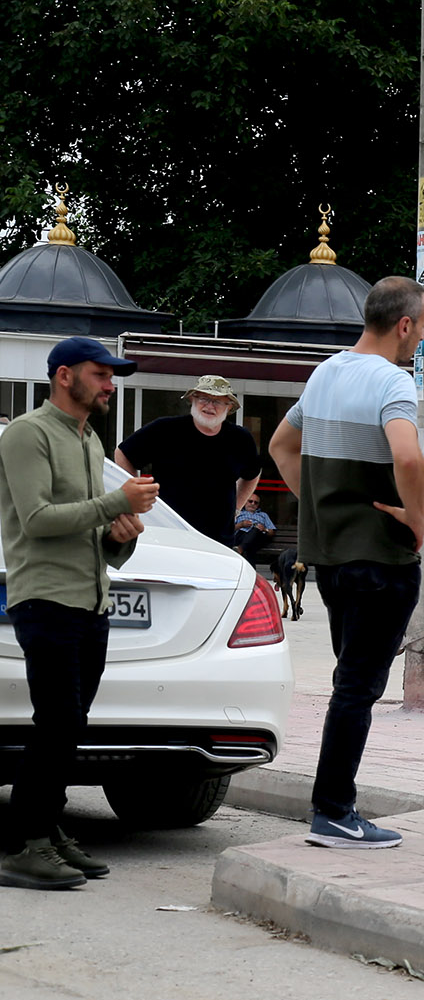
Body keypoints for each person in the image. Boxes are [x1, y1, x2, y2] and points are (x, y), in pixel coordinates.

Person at [269, 278, 424, 850]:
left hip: (331, 556)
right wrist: (417, 518)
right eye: (422, 327)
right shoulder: (393, 381)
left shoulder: (325, 373)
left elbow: (281, 447)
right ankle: (334, 810)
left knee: (349, 681)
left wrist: (318, 505)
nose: (419, 339)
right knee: (358, 688)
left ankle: (335, 806)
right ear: (405, 325)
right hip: (382, 556)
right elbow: (407, 455)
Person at [0, 337, 155, 889]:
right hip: (45, 598)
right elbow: (38, 519)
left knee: (71, 724)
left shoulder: (90, 441)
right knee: (57, 720)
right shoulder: (28, 434)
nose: (112, 383)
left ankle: (48, 829)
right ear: (65, 376)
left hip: (91, 601)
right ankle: (24, 844)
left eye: (114, 375)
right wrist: (119, 503)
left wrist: (121, 537)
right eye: (102, 373)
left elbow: (93, 534)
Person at [115, 374, 261, 547]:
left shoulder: (240, 439)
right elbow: (123, 454)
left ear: (228, 408)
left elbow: (253, 473)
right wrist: (137, 497)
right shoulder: (165, 429)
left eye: (217, 401)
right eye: (204, 399)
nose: (209, 406)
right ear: (192, 400)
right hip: (166, 534)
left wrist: (237, 507)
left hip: (218, 540)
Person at [231, 494, 277, 561]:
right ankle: (243, 550)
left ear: (258, 505)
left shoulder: (263, 515)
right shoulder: (238, 513)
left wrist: (264, 529)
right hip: (241, 535)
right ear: (245, 502)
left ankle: (240, 548)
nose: (253, 504)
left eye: (256, 502)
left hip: (258, 537)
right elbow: (229, 530)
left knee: (255, 530)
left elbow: (271, 532)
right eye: (250, 501)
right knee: (250, 547)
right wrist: (241, 524)